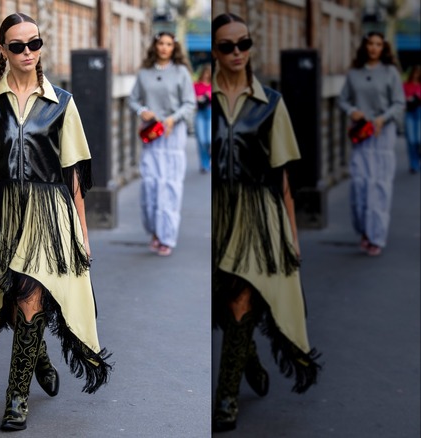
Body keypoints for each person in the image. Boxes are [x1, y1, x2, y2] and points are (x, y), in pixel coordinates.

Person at [0, 12, 112, 432]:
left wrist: (82, 232)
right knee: (10, 295)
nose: (27, 52)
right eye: (18, 45)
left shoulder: (62, 102)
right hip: (0, 213)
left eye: (34, 43)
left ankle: (16, 398)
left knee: (30, 295)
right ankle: (37, 353)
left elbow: (74, 173)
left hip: (48, 215)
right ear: (3, 51)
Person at [210, 13, 321, 433]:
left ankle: (226, 398)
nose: (237, 53)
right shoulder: (209, 100)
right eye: (227, 46)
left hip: (258, 212)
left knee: (241, 297)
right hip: (219, 209)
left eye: (244, 44)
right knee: (222, 299)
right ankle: (249, 359)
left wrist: (292, 238)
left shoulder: (271, 103)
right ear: (216, 52)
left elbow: (283, 180)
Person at [128, 31, 196, 257]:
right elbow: (133, 99)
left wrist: (172, 118)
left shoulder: (181, 73)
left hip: (172, 135)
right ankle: (155, 232)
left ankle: (167, 237)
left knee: (169, 186)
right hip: (152, 135)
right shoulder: (145, 73)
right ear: (155, 46)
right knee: (150, 185)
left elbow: (189, 103)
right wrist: (142, 111)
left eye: (169, 44)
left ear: (174, 47)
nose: (165, 48)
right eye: (161, 43)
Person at [338, 32, 405, 256]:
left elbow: (399, 103)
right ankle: (364, 231)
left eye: (378, 44)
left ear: (383, 47)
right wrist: (352, 111)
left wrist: (383, 118)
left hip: (382, 135)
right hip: (361, 134)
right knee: (360, 184)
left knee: (379, 187)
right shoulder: (354, 73)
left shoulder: (390, 72)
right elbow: (342, 99)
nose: (374, 48)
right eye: (370, 43)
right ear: (364, 46)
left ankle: (376, 236)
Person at [194, 63, 212, 173]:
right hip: (200, 113)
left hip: (210, 112)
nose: (206, 75)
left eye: (208, 73)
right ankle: (204, 164)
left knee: (209, 140)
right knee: (201, 140)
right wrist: (198, 99)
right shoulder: (196, 85)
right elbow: (190, 100)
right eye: (205, 73)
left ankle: (210, 159)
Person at [403, 65, 421, 173]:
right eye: (415, 72)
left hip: (420, 112)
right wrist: (407, 99)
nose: (416, 75)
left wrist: (416, 96)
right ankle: (414, 164)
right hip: (409, 112)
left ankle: (418, 160)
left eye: (418, 73)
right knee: (411, 140)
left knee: (419, 139)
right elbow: (400, 98)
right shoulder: (405, 85)